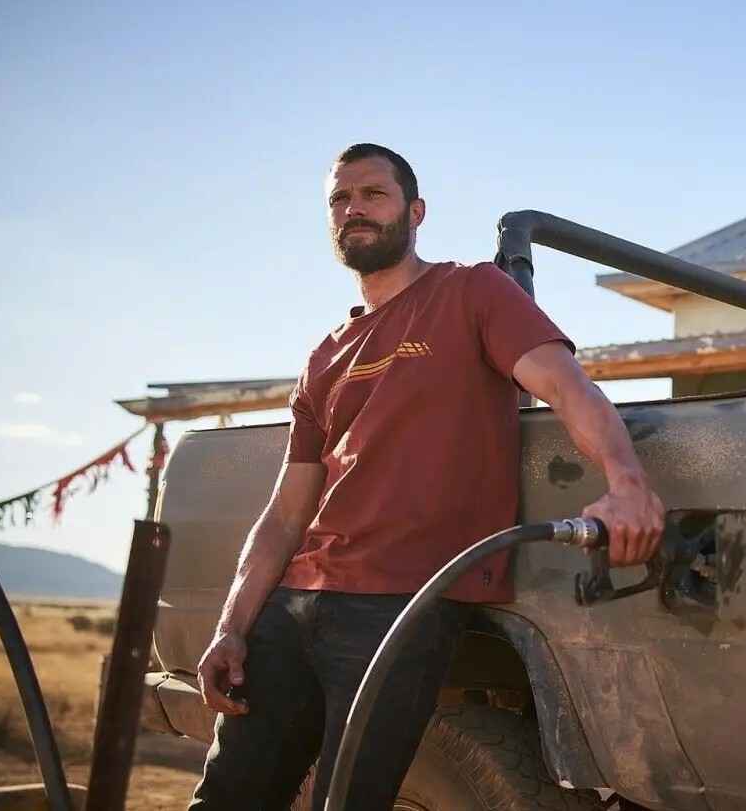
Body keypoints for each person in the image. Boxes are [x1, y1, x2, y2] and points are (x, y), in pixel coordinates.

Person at [187, 143, 666, 811]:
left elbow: (567, 388)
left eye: (373, 194)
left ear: (415, 212)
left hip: (403, 604)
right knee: (226, 797)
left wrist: (627, 482)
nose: (354, 208)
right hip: (291, 606)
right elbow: (286, 513)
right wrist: (232, 625)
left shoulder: (471, 291)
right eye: (340, 198)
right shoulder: (325, 356)